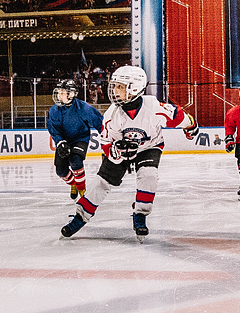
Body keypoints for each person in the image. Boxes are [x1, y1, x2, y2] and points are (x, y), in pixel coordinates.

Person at [60, 65, 198, 242]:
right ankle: (81, 216)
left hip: (149, 146)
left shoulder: (153, 107)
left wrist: (191, 126)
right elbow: (105, 142)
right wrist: (116, 152)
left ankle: (140, 213)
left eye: (119, 87)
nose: (114, 91)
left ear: (134, 88)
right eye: (115, 86)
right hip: (121, 150)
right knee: (101, 182)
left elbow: (179, 116)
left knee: (149, 175)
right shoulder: (112, 114)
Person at [47, 79, 103, 200]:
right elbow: (53, 128)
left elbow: (100, 123)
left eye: (62, 92)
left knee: (76, 161)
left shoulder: (84, 108)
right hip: (64, 140)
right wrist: (60, 141)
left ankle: (82, 189)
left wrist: (107, 140)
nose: (59, 95)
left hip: (80, 139)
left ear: (71, 94)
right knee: (61, 171)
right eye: (58, 92)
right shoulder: (54, 110)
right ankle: (73, 183)